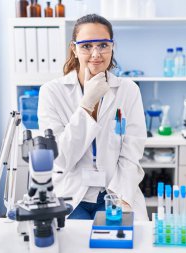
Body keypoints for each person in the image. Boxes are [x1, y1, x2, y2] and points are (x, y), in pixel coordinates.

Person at [38, 14, 148, 220]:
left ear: (112, 46)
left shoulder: (128, 90)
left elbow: (131, 152)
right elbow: (62, 158)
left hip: (113, 191)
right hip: (71, 193)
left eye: (103, 45)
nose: (96, 53)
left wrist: (122, 196)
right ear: (74, 48)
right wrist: (87, 104)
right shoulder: (51, 92)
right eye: (87, 46)